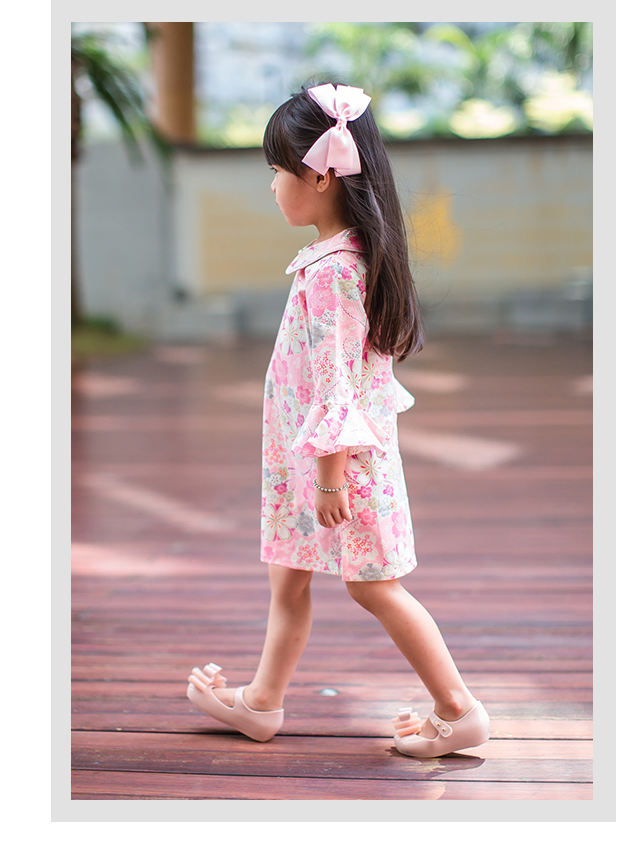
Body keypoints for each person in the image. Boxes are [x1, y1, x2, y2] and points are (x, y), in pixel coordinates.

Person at [186, 82, 489, 757]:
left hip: (340, 465)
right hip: (309, 458)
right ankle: (262, 702)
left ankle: (458, 708)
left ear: (321, 176)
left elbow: (336, 386)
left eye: (277, 170)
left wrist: (330, 477)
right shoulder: (341, 259)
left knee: (374, 585)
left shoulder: (335, 272)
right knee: (288, 573)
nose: (271, 186)